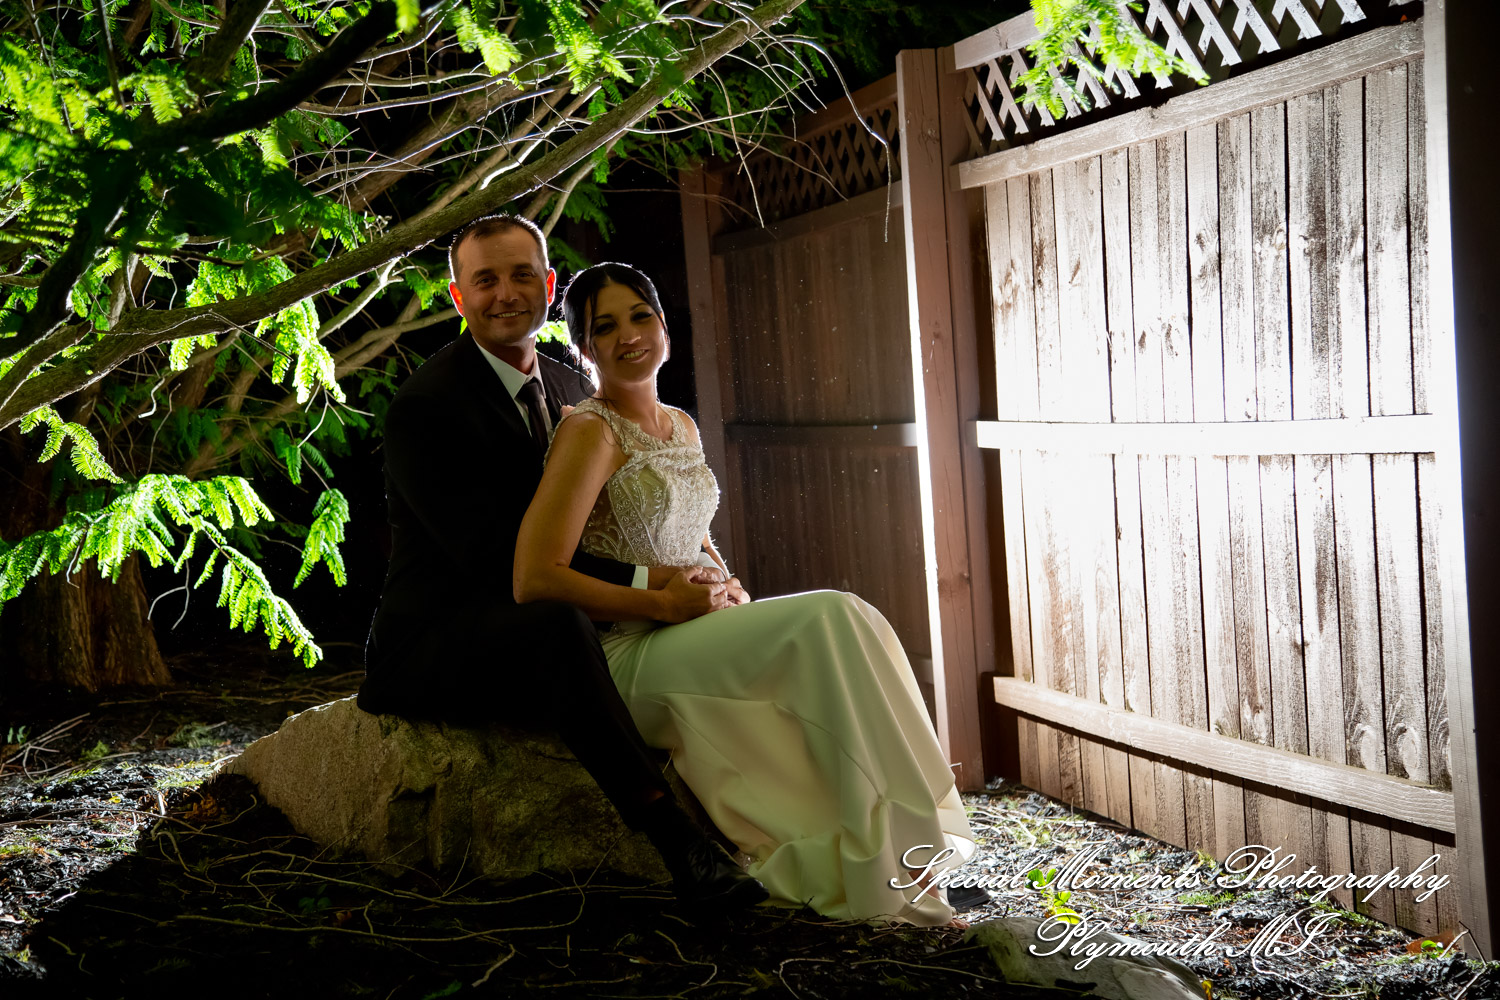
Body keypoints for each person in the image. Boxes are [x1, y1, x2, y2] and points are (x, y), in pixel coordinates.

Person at [513, 262, 978, 926]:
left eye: (640, 316)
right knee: (830, 615)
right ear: (582, 348)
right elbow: (534, 576)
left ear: (665, 327)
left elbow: (690, 536)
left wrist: (725, 582)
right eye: (604, 327)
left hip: (693, 629)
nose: (627, 337)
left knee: (856, 622)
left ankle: (902, 853)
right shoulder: (590, 430)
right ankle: (883, 857)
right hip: (631, 654)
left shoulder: (681, 425)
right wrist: (662, 604)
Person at [358, 216, 767, 911]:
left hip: (550, 612)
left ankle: (774, 813)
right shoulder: (427, 408)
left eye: (522, 275)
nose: (505, 293)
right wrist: (653, 589)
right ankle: (673, 837)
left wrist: (702, 579)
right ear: (459, 297)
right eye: (484, 280)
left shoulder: (573, 390)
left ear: (549, 288)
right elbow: (500, 568)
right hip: (440, 638)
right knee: (554, 622)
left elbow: (608, 526)